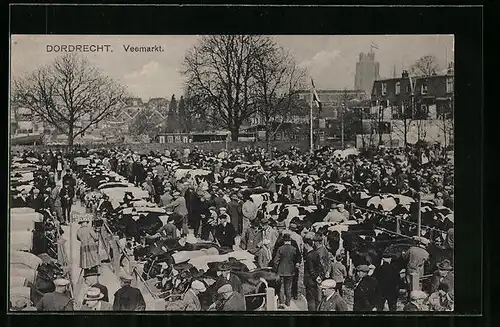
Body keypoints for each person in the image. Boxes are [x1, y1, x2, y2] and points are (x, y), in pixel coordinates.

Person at [273, 233, 300, 308]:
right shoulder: (294, 249)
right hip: (290, 271)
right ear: (290, 240)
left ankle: (281, 303)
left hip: (281, 271)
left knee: (281, 288)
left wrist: (276, 269)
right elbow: (297, 259)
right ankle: (288, 303)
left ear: (284, 240)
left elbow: (275, 261)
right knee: (288, 287)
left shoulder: (280, 249)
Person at [303, 234, 322, 311]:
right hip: (315, 279)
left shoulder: (308, 256)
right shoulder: (316, 253)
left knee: (310, 298)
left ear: (307, 245)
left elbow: (310, 269)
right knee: (316, 296)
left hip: (309, 279)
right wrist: (318, 276)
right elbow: (319, 266)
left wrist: (315, 277)